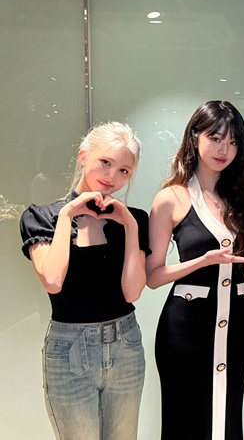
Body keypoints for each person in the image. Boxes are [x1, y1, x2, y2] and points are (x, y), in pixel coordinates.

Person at [147, 101, 244, 440]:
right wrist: (201, 261)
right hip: (184, 327)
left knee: (227, 416)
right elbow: (153, 277)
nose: (223, 149)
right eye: (215, 138)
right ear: (195, 138)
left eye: (232, 142)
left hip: (236, 323)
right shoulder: (171, 198)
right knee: (184, 421)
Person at [19, 122, 149, 440]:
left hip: (126, 345)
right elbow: (53, 281)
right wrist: (67, 215)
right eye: (105, 162)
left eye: (124, 170)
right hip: (70, 349)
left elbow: (132, 292)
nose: (112, 176)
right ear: (83, 157)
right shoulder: (42, 217)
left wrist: (131, 227)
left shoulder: (133, 220)